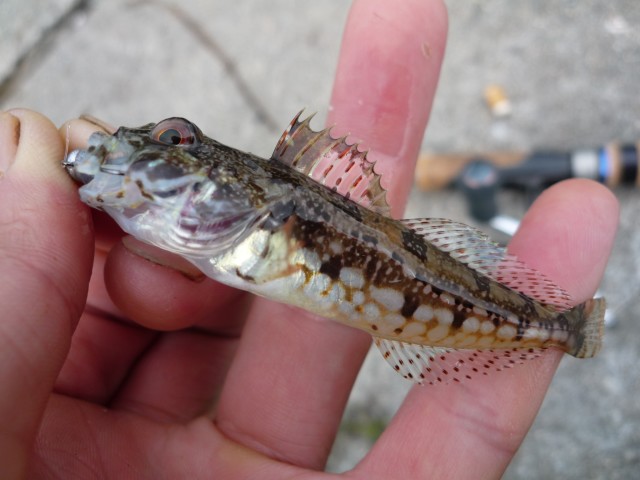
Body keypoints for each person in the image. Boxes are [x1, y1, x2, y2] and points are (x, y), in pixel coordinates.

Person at [0, 0, 618, 478]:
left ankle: (557, 326)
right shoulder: (246, 221)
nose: (150, 149)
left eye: (175, 141)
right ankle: (555, 326)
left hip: (430, 292)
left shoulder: (270, 216)